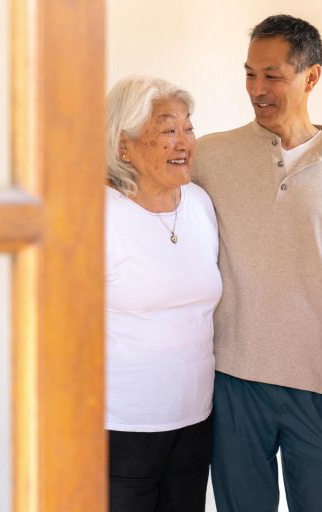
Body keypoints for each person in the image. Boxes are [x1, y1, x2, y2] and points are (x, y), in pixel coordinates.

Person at [192, 14, 322, 512]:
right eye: (250, 74)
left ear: (311, 77)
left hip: (320, 388)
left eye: (272, 76)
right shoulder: (208, 157)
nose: (257, 89)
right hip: (233, 381)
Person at [104, 76, 222, 512]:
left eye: (188, 128)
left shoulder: (200, 204)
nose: (184, 142)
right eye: (169, 130)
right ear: (124, 145)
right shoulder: (95, 215)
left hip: (194, 421)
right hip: (119, 428)